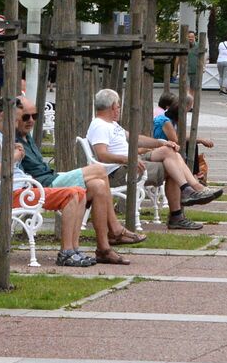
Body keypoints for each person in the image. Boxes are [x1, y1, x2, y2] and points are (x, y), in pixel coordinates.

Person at [15, 96, 143, 262]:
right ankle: (116, 230)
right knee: (99, 170)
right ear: (15, 117)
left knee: (97, 185)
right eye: (26, 117)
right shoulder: (13, 139)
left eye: (35, 116)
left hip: (50, 178)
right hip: (43, 185)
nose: (31, 120)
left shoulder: (27, 136)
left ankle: (104, 249)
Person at [0, 96, 94, 267]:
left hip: (23, 190)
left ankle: (73, 249)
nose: (17, 124)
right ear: (3, 116)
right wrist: (15, 156)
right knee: (72, 194)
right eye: (16, 119)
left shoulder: (2, 137)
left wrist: (14, 152)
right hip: (13, 195)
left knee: (80, 191)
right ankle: (66, 252)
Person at [87, 88, 221, 231]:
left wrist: (161, 142)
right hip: (121, 170)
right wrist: (128, 160)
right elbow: (102, 155)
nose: (119, 109)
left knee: (169, 150)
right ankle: (184, 202)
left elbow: (135, 139)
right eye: (118, 106)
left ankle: (191, 189)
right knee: (173, 168)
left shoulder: (111, 124)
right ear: (113, 106)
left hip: (131, 161)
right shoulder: (99, 125)